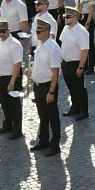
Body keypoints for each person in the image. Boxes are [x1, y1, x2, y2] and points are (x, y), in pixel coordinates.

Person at [29, 16, 62, 155]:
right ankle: (43, 140)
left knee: (52, 116)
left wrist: (51, 92)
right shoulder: (40, 44)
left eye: (40, 32)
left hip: (48, 86)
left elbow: (55, 72)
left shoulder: (53, 48)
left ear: (48, 31)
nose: (37, 34)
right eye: (36, 32)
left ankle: (55, 145)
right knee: (42, 115)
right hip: (38, 85)